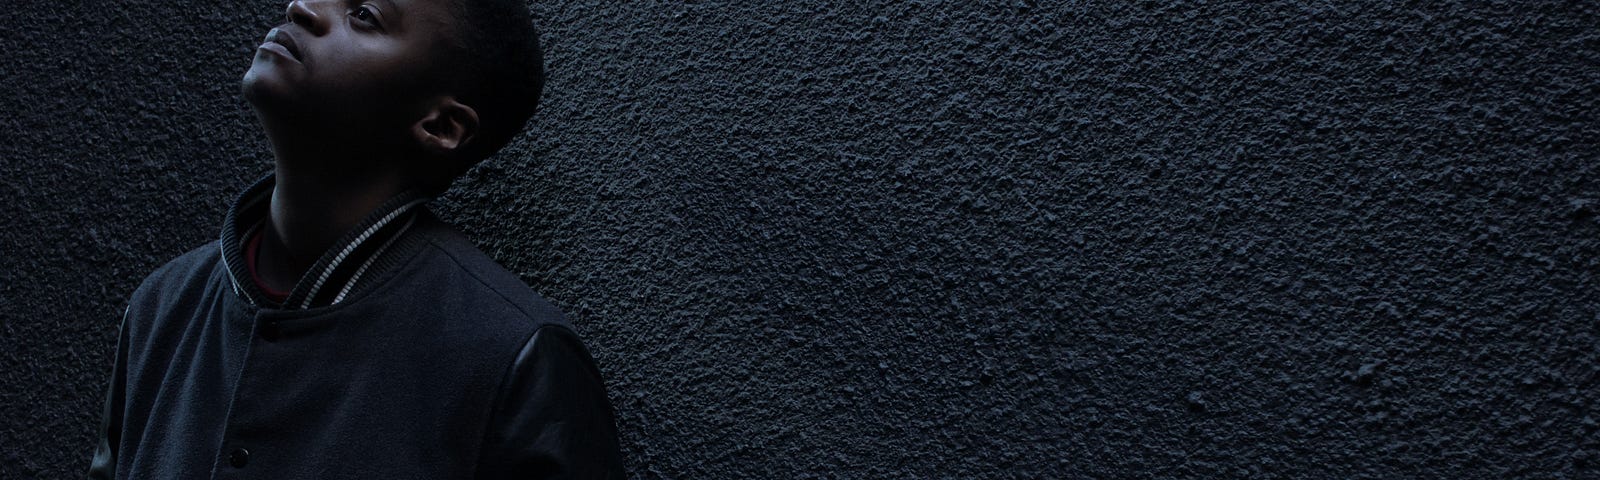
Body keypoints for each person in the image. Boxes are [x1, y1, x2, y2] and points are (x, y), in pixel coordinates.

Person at [87, 0, 625, 478]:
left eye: (363, 15)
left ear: (440, 126)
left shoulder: (517, 356)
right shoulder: (162, 305)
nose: (302, 8)